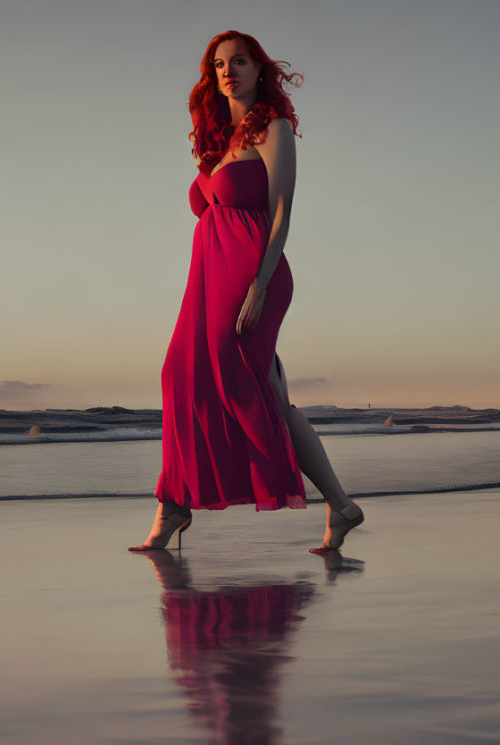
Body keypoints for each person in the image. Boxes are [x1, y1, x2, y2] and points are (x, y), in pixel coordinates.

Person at [129, 30, 363, 555]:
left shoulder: (272, 128)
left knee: (220, 374)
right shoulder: (218, 141)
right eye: (219, 65)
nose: (228, 71)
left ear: (261, 69)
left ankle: (173, 507)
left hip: (254, 274)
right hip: (208, 278)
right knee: (223, 384)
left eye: (239, 61)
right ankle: (341, 506)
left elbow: (282, 213)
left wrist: (258, 286)